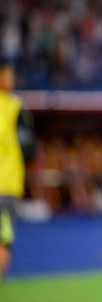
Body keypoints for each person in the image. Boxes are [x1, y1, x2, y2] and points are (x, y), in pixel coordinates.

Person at [0, 58, 35, 278]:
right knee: (3, 239)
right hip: (6, 184)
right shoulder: (14, 106)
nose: (11, 78)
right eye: (8, 73)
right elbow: (29, 148)